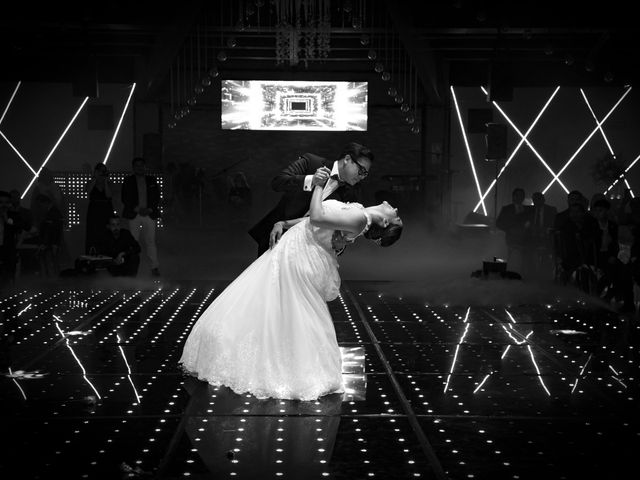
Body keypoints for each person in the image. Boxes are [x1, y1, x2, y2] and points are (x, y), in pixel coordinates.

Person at [179, 178, 402, 401]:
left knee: (287, 308)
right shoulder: (360, 213)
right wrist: (285, 223)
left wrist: (319, 185)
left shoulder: (359, 218)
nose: (397, 209)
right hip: (297, 247)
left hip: (300, 254)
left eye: (397, 217)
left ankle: (283, 366)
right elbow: (314, 222)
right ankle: (272, 356)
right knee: (280, 306)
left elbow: (316, 217)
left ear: (384, 224)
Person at [248, 142, 374, 256]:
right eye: (361, 170)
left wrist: (339, 247)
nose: (362, 177)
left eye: (365, 174)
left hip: (309, 250)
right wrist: (310, 180)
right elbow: (277, 183)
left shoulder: (353, 193)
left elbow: (341, 231)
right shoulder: (312, 162)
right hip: (277, 235)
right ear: (347, 159)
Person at [121, 157, 161, 276]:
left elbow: (156, 196)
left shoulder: (152, 180)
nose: (139, 167)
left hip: (149, 213)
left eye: (141, 165)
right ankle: (133, 267)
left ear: (145, 167)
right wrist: (137, 209)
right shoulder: (128, 180)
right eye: (137, 165)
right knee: (133, 241)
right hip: (134, 214)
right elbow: (125, 198)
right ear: (133, 167)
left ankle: (154, 267)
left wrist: (150, 209)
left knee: (150, 241)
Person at [495, 188, 532, 276]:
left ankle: (524, 273)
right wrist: (509, 229)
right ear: (513, 197)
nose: (520, 197)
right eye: (518, 195)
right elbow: (498, 223)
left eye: (522, 195)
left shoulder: (528, 209)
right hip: (510, 238)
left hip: (525, 239)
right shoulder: (507, 209)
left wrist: (528, 226)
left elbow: (531, 222)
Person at [84, 162, 114, 254]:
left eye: (104, 171)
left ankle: (107, 253)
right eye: (100, 171)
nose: (102, 173)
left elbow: (109, 195)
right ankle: (92, 253)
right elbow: (88, 191)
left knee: (107, 232)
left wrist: (105, 181)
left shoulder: (108, 183)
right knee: (93, 232)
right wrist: (95, 177)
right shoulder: (91, 182)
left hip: (106, 209)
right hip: (94, 210)